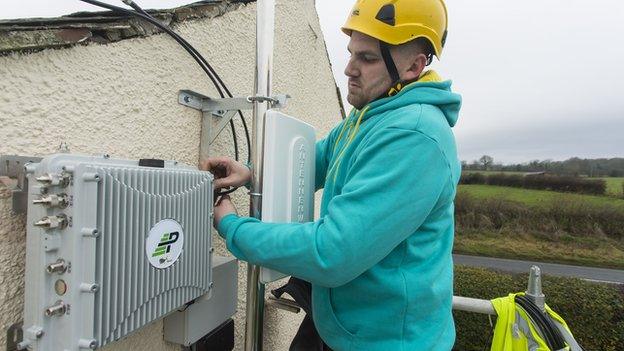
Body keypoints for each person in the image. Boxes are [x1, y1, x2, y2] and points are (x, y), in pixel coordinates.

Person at [201, 0, 461, 349]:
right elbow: (315, 161)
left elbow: (332, 253)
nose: (349, 69)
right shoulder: (372, 112)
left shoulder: (413, 137)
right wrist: (249, 172)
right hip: (342, 324)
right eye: (351, 53)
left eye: (367, 59)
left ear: (413, 66)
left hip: (385, 341)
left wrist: (233, 227)